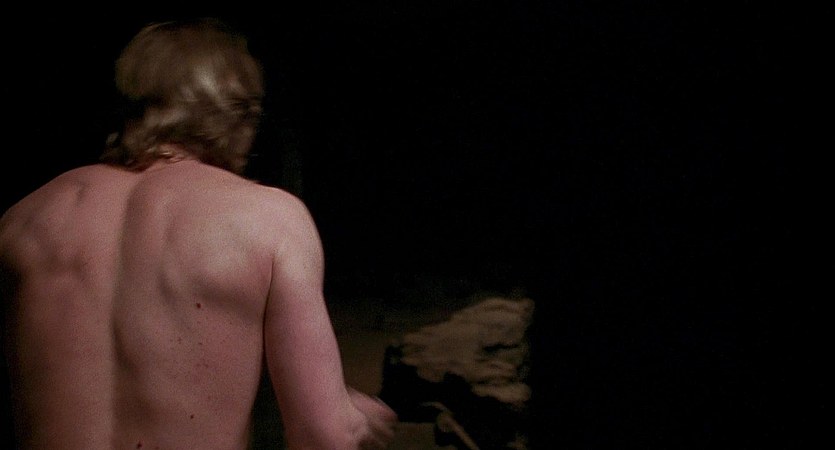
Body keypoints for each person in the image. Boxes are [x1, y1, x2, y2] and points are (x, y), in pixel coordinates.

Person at [0, 18, 397, 449]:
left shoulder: (23, 220)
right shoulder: (269, 218)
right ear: (237, 115)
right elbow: (322, 435)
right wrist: (355, 419)